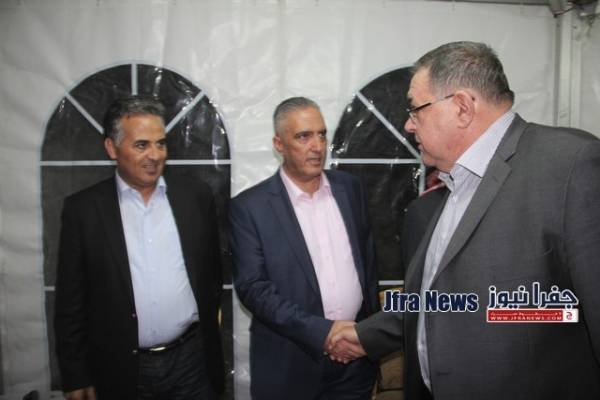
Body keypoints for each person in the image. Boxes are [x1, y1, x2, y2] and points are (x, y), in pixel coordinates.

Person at [328, 41, 600, 399]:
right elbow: (451, 298)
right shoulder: (454, 187)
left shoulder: (570, 165)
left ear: (461, 107)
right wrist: (366, 334)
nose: (408, 125)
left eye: (415, 110)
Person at [54, 96, 224, 400]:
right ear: (112, 148)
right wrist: (75, 374)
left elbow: (211, 273)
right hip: (121, 367)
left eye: (161, 144)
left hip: (191, 362)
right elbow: (70, 302)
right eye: (142, 145)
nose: (155, 155)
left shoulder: (195, 196)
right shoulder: (84, 211)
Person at [229, 97, 379, 399]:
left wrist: (367, 334)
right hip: (289, 366)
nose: (317, 146)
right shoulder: (250, 208)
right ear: (279, 144)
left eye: (322, 134)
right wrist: (324, 333)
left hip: (355, 362)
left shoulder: (350, 189)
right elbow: (253, 289)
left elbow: (369, 264)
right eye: (303, 136)